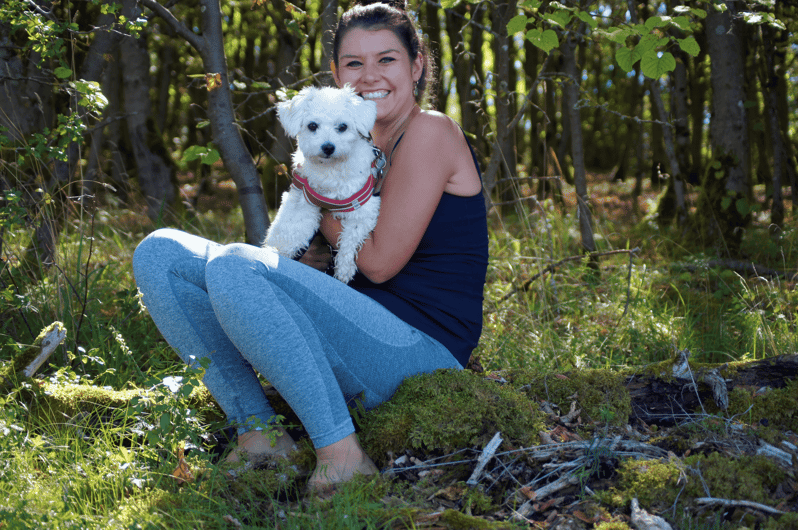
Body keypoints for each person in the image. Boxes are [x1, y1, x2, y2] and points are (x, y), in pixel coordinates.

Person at [132, 0, 488, 491]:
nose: (370, 76)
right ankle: (259, 436)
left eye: (387, 59)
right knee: (160, 253)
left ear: (417, 65)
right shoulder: (348, 147)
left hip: (421, 351)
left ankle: (342, 455)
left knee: (238, 264)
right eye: (353, 63)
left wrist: (317, 209)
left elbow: (380, 264)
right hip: (355, 333)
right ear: (336, 74)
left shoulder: (430, 132)